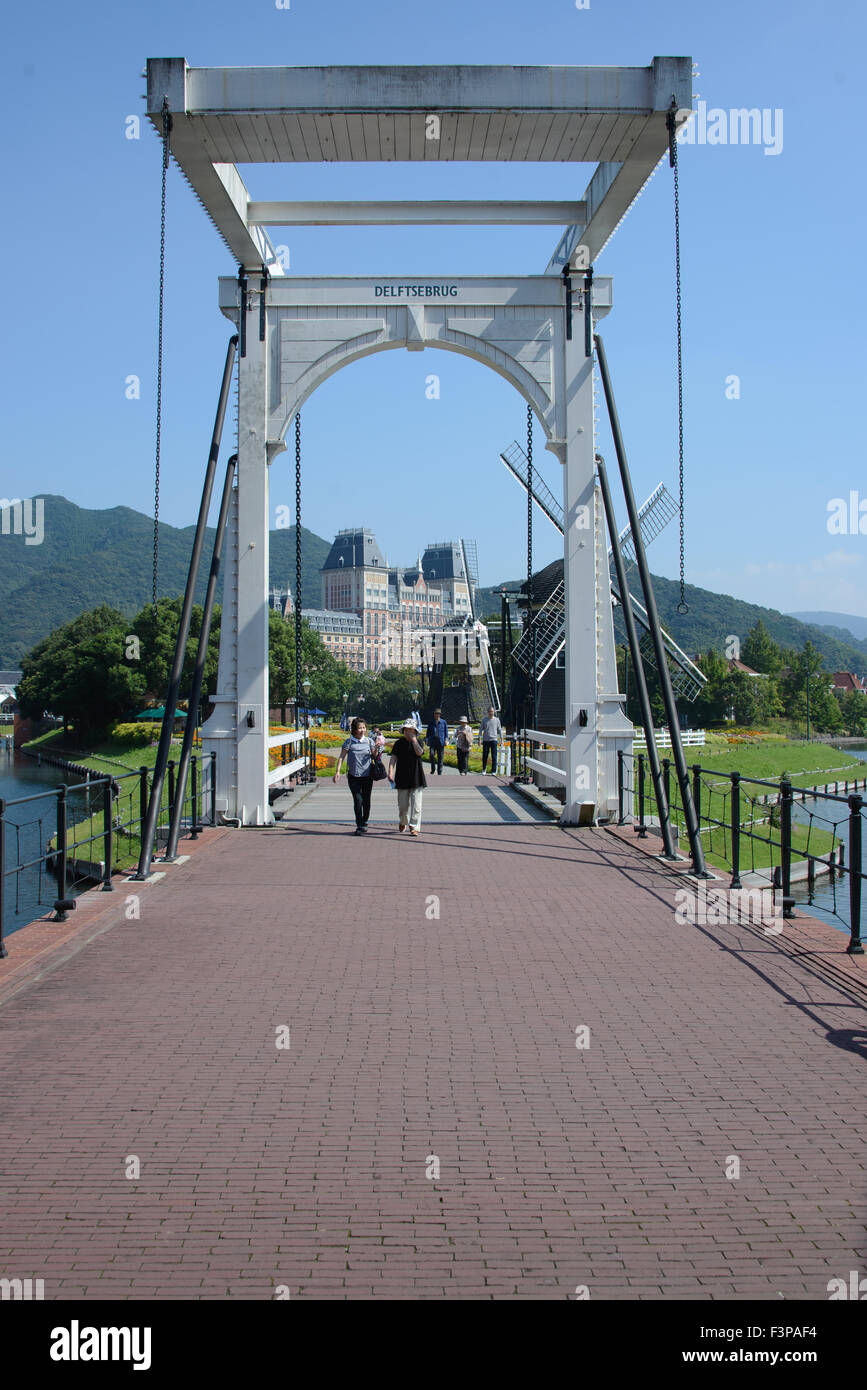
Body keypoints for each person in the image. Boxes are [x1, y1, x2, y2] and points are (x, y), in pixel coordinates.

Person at [333, 716, 377, 834]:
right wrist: (337, 772)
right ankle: (359, 824)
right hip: (353, 776)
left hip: (368, 776)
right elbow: (342, 757)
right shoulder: (349, 742)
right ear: (354, 729)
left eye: (364, 727)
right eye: (359, 728)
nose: (362, 730)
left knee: (366, 800)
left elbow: (375, 756)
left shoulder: (369, 741)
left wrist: (377, 747)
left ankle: (365, 820)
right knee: (358, 800)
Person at [388, 718, 427, 835]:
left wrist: (414, 740)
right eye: (406, 730)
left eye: (411, 730)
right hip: (402, 777)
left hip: (417, 777)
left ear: (415, 731)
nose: (408, 732)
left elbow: (420, 753)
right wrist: (390, 771)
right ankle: (403, 821)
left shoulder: (419, 741)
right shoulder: (399, 743)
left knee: (417, 806)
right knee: (403, 806)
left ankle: (414, 826)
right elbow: (393, 758)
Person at [479, 706, 503, 775]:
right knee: (485, 756)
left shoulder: (497, 720)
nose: (490, 713)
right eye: (489, 711)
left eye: (492, 711)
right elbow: (480, 730)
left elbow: (500, 730)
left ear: (494, 712)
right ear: (487, 712)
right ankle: (484, 769)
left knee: (494, 756)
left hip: (494, 740)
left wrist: (501, 739)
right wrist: (479, 739)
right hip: (486, 740)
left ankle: (493, 771)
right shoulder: (484, 720)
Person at [426, 708, 447, 775]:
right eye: (436, 713)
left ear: (440, 715)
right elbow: (428, 732)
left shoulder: (443, 722)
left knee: (440, 757)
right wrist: (427, 739)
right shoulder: (431, 722)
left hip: (441, 741)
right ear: (434, 714)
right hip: (432, 741)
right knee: (431, 755)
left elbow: (446, 732)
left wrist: (446, 740)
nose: (437, 715)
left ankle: (439, 771)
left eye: (438, 714)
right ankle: (433, 768)